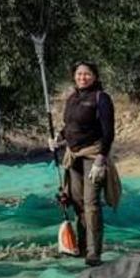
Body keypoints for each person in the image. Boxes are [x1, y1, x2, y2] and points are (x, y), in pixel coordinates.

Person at [52, 61, 118, 266]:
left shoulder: (101, 98)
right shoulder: (72, 98)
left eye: (87, 74)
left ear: (95, 76)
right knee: (77, 202)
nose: (83, 77)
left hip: (93, 156)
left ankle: (93, 252)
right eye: (79, 74)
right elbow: (69, 125)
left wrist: (101, 159)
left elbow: (108, 132)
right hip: (74, 156)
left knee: (91, 204)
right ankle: (80, 245)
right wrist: (58, 137)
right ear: (74, 76)